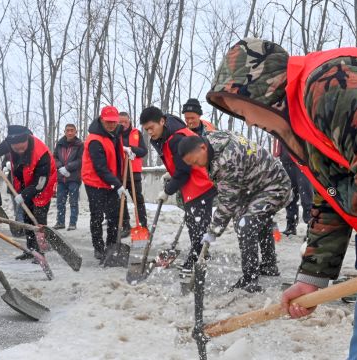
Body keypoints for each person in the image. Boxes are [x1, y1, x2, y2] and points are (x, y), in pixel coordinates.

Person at [210, 37, 357, 359]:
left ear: (260, 93)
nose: (248, 122)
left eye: (240, 110)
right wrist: (312, 277)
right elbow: (332, 194)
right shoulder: (302, 124)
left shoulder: (331, 86)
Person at [178, 132, 292, 292]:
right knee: (258, 218)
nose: (197, 166)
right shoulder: (212, 140)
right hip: (254, 186)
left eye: (196, 161)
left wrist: (213, 232)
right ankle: (269, 265)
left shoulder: (226, 161)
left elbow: (227, 203)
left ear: (203, 147)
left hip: (274, 186)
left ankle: (249, 279)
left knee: (245, 223)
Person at [139, 106, 216, 272]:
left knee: (198, 226)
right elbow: (180, 164)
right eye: (146, 130)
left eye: (151, 128)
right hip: (194, 185)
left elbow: (184, 171)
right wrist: (171, 171)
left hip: (200, 185)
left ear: (162, 121)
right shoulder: (168, 135)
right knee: (194, 224)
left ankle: (197, 260)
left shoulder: (176, 138)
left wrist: (167, 191)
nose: (150, 132)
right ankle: (199, 255)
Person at [0, 125, 57, 260]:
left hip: (43, 184)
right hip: (25, 179)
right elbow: (3, 146)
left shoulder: (41, 154)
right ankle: (31, 251)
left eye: (22, 148)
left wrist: (24, 195)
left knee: (39, 218)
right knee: (26, 218)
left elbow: (39, 183)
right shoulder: (11, 143)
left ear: (27, 140)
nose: (19, 151)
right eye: (15, 148)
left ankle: (41, 253)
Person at [81, 106, 131, 260]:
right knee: (97, 216)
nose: (111, 124)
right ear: (101, 120)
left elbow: (113, 154)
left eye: (114, 122)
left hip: (111, 181)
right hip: (95, 182)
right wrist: (117, 185)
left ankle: (111, 246)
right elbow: (100, 168)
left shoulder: (114, 134)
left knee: (115, 216)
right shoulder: (95, 139)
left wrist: (124, 150)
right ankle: (98, 247)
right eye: (108, 122)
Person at [273, 139, 312, 235]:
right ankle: (291, 225)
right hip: (286, 162)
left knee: (306, 197)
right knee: (290, 197)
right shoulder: (281, 125)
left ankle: (311, 227)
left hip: (302, 163)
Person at [119, 112, 148, 232]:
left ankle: (143, 225)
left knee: (138, 200)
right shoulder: (115, 135)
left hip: (134, 172)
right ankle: (126, 225)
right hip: (119, 172)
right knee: (121, 200)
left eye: (125, 121)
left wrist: (131, 149)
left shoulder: (136, 133)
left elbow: (143, 151)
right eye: (120, 122)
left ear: (129, 121)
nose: (123, 124)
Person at [53, 123, 83, 231]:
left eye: (72, 130)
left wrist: (68, 167)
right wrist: (60, 167)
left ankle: (72, 223)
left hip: (73, 178)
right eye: (67, 130)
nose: (70, 132)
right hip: (61, 178)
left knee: (73, 201)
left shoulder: (79, 144)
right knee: (60, 201)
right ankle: (60, 222)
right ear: (64, 132)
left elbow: (80, 160)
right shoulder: (60, 144)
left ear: (76, 132)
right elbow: (54, 157)